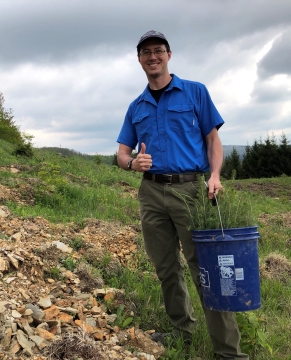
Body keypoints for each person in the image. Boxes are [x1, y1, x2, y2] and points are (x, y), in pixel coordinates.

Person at [116, 30, 248, 360]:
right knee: (166, 269)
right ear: (139, 60)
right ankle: (182, 332)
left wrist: (215, 175)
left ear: (169, 55)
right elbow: (120, 153)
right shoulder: (136, 106)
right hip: (151, 194)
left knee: (206, 271)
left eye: (158, 50)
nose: (152, 57)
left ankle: (228, 352)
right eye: (146, 53)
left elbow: (213, 140)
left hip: (191, 191)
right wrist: (133, 163)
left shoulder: (195, 93)